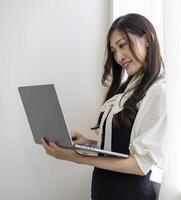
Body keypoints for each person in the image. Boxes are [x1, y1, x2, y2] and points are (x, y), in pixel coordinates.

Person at [41, 13, 167, 200]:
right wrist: (90, 144)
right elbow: (123, 149)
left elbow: (140, 165)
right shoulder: (125, 91)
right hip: (103, 191)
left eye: (122, 45)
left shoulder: (158, 92)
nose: (119, 56)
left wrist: (76, 158)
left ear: (147, 39)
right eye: (114, 50)